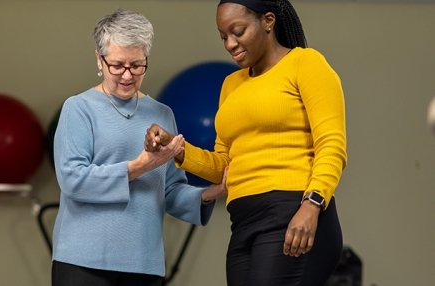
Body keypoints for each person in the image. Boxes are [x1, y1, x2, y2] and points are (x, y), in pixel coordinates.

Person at [145, 0, 347, 285]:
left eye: (237, 31)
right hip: (243, 222)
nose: (230, 43)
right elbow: (225, 168)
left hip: (293, 212)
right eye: (223, 36)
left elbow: (332, 145)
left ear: (268, 21)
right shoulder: (231, 85)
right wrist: (178, 151)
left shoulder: (306, 63)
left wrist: (312, 205)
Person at [51, 9, 226, 286]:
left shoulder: (162, 113)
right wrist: (138, 167)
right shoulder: (79, 108)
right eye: (117, 65)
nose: (127, 75)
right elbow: (73, 179)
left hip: (144, 263)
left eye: (137, 65)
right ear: (100, 59)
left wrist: (210, 194)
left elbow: (168, 190)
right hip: (83, 261)